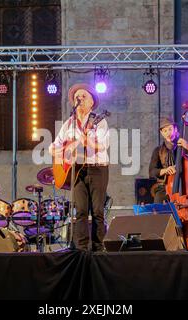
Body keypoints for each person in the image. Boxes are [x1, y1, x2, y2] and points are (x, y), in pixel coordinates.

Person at [49, 83, 109, 252]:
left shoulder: (99, 121)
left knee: (97, 211)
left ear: (92, 102)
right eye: (78, 97)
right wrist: (63, 151)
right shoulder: (69, 123)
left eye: (84, 96)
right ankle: (81, 248)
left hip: (97, 169)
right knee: (80, 210)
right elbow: (52, 147)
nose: (80, 99)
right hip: (76, 170)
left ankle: (98, 248)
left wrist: (85, 139)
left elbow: (101, 146)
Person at [149, 117, 188, 203]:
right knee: (159, 201)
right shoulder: (158, 151)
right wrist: (166, 170)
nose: (168, 133)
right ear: (161, 133)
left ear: (175, 129)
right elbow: (152, 172)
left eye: (170, 129)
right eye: (165, 131)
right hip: (165, 188)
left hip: (184, 188)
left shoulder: (184, 146)